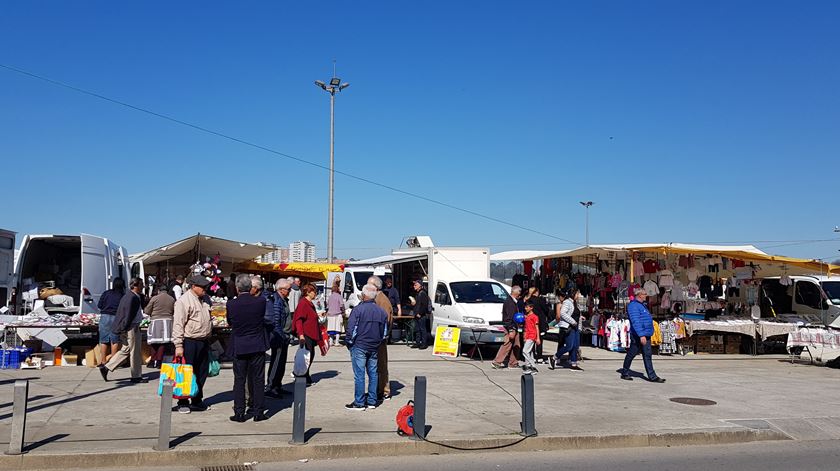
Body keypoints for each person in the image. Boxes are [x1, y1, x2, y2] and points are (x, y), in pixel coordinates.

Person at [227, 274, 270, 422]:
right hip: (257, 344)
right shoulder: (261, 302)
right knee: (258, 379)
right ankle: (258, 412)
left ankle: (239, 412)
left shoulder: (231, 304)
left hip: (239, 345)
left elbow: (230, 322)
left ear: (237, 289)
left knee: (239, 379)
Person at [172, 274, 214, 413]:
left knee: (201, 372)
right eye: (202, 287)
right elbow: (178, 324)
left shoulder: (206, 299)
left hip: (203, 341)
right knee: (186, 373)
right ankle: (183, 401)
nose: (205, 289)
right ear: (193, 286)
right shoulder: (183, 301)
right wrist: (178, 345)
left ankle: (197, 399)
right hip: (189, 341)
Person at [344, 284, 389, 411]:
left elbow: (351, 329)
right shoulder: (381, 312)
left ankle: (359, 402)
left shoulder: (358, 310)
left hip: (360, 345)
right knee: (373, 374)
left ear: (363, 295)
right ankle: (372, 401)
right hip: (374, 346)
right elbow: (384, 332)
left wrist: (349, 342)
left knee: (359, 375)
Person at [99, 277, 147, 383]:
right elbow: (128, 315)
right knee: (135, 352)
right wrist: (125, 328)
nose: (143, 286)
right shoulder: (132, 297)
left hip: (127, 327)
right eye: (141, 284)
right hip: (131, 327)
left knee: (125, 350)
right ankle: (136, 376)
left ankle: (106, 367)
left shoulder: (128, 296)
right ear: (135, 285)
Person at [620, 290, 665, 382]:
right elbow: (636, 321)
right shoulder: (633, 306)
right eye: (645, 294)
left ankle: (652, 376)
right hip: (639, 335)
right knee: (632, 354)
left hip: (646, 334)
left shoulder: (641, 305)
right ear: (639, 295)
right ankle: (625, 372)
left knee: (647, 355)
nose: (646, 295)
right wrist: (641, 335)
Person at [292, 283, 324, 385]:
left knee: (310, 354)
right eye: (314, 291)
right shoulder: (303, 303)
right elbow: (299, 320)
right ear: (308, 292)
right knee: (306, 355)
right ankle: (301, 375)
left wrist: (318, 315)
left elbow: (310, 316)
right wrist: (301, 335)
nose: (315, 293)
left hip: (311, 333)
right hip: (306, 334)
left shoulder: (309, 303)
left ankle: (305, 375)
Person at [265, 278, 292, 398]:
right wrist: (282, 336)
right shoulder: (276, 301)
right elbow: (276, 322)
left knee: (281, 363)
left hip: (284, 336)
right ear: (281, 290)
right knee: (276, 361)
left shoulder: (283, 300)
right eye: (288, 289)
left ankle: (277, 385)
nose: (290, 291)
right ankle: (271, 387)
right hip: (279, 337)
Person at [368, 276, 393, 401]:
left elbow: (385, 320)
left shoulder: (382, 300)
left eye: (369, 285)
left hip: (380, 339)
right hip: (376, 338)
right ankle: (378, 389)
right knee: (376, 365)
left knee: (381, 364)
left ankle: (384, 390)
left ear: (375, 287)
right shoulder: (376, 298)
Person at [549, 289, 583, 371]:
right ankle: (554, 358)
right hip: (569, 327)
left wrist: (579, 324)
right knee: (569, 346)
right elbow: (562, 313)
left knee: (575, 346)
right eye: (578, 294)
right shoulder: (567, 302)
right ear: (573, 294)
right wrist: (573, 321)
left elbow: (577, 315)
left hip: (575, 327)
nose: (579, 296)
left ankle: (573, 364)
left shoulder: (575, 303)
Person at [145, 284, 176, 369]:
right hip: (168, 322)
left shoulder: (155, 298)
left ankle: (152, 361)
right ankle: (159, 362)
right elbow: (174, 311)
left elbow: (147, 310)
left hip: (156, 321)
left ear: (159, 290)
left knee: (154, 342)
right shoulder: (172, 299)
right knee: (163, 343)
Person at [96, 277, 125, 366]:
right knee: (114, 340)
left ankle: (103, 361)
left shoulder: (106, 293)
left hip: (104, 317)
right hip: (116, 318)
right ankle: (113, 362)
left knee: (104, 340)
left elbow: (99, 305)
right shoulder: (123, 295)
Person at [491, 286, 522, 369]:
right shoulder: (510, 302)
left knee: (516, 345)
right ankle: (497, 362)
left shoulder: (513, 301)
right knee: (507, 344)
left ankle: (513, 363)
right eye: (520, 292)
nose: (520, 294)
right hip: (510, 327)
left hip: (514, 326)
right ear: (516, 292)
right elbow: (509, 317)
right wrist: (511, 329)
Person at [527, 286, 550, 363]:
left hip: (530, 322)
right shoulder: (540, 300)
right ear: (536, 292)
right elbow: (546, 310)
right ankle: (539, 356)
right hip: (540, 322)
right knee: (539, 340)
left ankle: (532, 355)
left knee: (531, 339)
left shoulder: (528, 301)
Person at [521, 301, 541, 374]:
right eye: (525, 307)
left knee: (525, 351)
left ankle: (531, 366)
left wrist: (538, 338)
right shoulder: (526, 317)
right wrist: (524, 336)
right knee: (529, 352)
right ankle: (530, 367)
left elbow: (537, 327)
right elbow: (526, 328)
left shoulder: (535, 317)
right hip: (527, 336)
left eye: (527, 307)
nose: (525, 308)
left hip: (532, 336)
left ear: (531, 308)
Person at [411, 280, 430, 349]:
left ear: (420, 285)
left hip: (421, 315)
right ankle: (417, 343)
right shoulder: (417, 293)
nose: (414, 286)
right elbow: (418, 304)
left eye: (416, 285)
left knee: (422, 329)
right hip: (416, 314)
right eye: (414, 285)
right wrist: (413, 304)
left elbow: (424, 305)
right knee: (417, 329)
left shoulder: (423, 293)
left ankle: (424, 344)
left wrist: (420, 313)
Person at [326, 279, 345, 346]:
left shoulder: (330, 297)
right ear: (337, 290)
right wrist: (343, 311)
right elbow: (342, 305)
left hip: (330, 315)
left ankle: (330, 342)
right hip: (337, 314)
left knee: (331, 329)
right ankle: (337, 342)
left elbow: (327, 306)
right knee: (338, 329)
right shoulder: (339, 296)